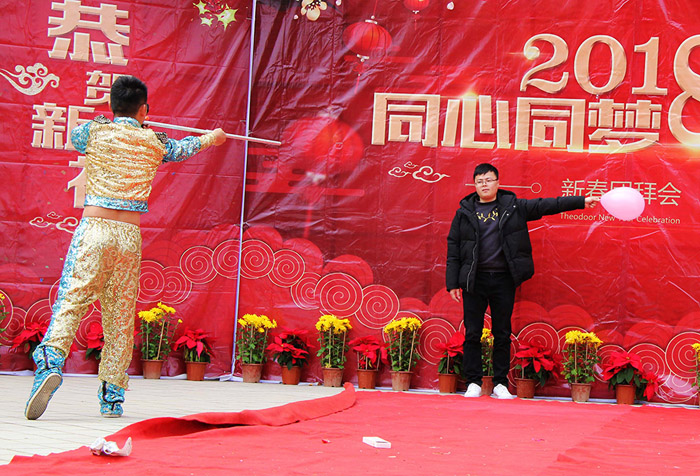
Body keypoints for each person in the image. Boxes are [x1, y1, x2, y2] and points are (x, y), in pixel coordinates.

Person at [24, 75, 226, 420]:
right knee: (119, 314)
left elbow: (76, 137)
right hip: (128, 236)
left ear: (111, 105)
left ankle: (50, 364)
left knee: (71, 301)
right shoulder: (154, 141)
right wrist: (213, 137)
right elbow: (182, 149)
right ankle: (112, 398)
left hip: (94, 229)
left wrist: (109, 120)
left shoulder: (94, 132)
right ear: (144, 109)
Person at [446, 163, 598, 399]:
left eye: (488, 180)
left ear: (498, 183)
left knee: (502, 333)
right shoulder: (464, 212)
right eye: (480, 181)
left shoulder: (513, 207)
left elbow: (547, 204)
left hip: (503, 279)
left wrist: (580, 201)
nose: (484, 185)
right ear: (474, 185)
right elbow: (453, 248)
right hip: (474, 281)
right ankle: (473, 382)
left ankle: (499, 383)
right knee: (472, 333)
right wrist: (452, 282)